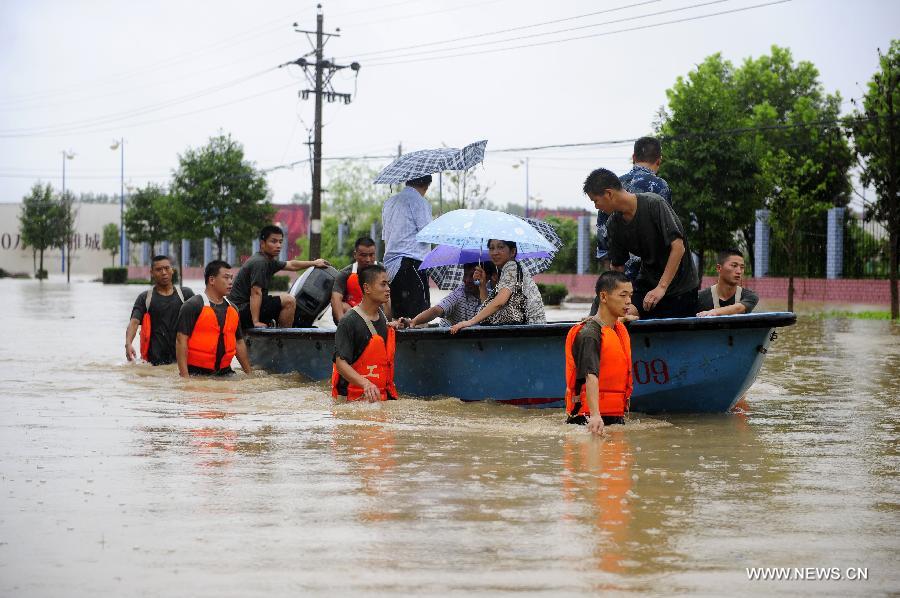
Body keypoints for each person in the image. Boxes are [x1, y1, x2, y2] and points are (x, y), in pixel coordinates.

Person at [584, 168, 698, 319]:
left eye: (596, 201)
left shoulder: (654, 204)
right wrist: (612, 301)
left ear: (609, 193)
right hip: (647, 284)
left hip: (681, 287)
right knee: (620, 316)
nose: (596, 207)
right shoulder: (613, 224)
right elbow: (618, 267)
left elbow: (678, 247)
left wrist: (661, 288)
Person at [564, 271, 635, 435]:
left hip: (614, 417)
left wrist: (626, 318)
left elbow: (614, 320)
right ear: (603, 297)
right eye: (623, 295)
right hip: (587, 420)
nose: (629, 301)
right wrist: (595, 415)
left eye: (630, 295)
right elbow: (590, 375)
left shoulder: (616, 328)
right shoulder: (590, 334)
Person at [597, 136, 672, 280]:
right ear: (659, 161)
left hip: (617, 272)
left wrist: (611, 270)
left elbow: (602, 232)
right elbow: (667, 232)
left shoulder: (614, 186)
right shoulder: (661, 186)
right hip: (650, 276)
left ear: (633, 157)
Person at [228, 225, 328, 329]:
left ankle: (280, 329)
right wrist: (256, 322)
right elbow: (256, 293)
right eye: (274, 241)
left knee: (283, 299)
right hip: (239, 310)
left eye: (280, 242)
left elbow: (292, 265)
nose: (278, 245)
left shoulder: (268, 261)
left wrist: (314, 263)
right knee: (289, 300)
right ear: (262, 243)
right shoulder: (260, 262)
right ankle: (283, 339)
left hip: (243, 308)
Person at [332, 264, 398, 402]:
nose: (388, 289)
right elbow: (340, 364)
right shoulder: (348, 322)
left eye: (388, 284)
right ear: (367, 288)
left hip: (380, 398)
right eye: (383, 284)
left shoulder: (383, 320)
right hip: (351, 401)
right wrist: (365, 384)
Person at [449, 239, 545, 333]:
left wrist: (470, 322)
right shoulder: (504, 271)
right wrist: (482, 285)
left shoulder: (511, 266)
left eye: (500, 247)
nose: (495, 252)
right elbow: (488, 308)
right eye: (491, 248)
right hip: (527, 328)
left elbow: (499, 302)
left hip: (531, 329)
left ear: (512, 252)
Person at [175, 260, 251, 378]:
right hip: (196, 374)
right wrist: (185, 378)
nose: (230, 282)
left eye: (231, 278)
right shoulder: (193, 305)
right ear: (212, 280)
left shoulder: (233, 309)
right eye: (226, 278)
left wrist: (249, 374)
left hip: (225, 373)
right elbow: (181, 341)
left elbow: (239, 343)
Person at [125, 255, 194, 365]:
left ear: (172, 270)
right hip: (154, 364)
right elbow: (134, 322)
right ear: (151, 272)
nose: (164, 272)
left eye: (167, 268)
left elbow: (200, 322)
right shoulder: (145, 298)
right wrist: (128, 343)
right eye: (159, 269)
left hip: (181, 361)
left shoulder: (186, 295)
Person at [381, 175, 433, 318]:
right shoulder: (420, 202)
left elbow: (385, 236)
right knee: (419, 318)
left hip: (391, 268)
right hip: (411, 265)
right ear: (426, 185)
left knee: (398, 319)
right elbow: (427, 233)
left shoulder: (389, 203)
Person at [399, 262, 494, 328]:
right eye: (465, 275)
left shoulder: (494, 295)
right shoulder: (459, 293)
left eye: (472, 276)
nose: (467, 280)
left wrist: (482, 288)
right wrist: (414, 321)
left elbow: (489, 319)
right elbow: (436, 310)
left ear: (487, 278)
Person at [697, 249, 759, 316]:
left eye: (742, 267)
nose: (739, 271)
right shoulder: (699, 298)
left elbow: (739, 308)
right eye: (734, 265)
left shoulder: (750, 296)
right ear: (719, 268)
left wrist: (714, 312)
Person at [331, 236, 378, 324]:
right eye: (363, 255)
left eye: (371, 255)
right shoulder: (344, 274)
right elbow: (335, 298)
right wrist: (342, 324)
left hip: (376, 312)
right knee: (342, 306)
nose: (368, 260)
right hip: (354, 314)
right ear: (355, 255)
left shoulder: (383, 271)